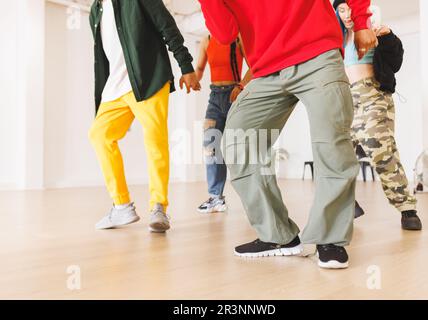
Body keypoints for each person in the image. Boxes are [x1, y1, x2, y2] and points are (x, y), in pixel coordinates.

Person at [198, 0, 377, 269]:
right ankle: (278, 235)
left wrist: (362, 22)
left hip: (317, 53)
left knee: (331, 142)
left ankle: (330, 239)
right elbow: (224, 33)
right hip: (265, 69)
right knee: (237, 139)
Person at [88, 0, 200, 232]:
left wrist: (186, 66)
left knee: (155, 142)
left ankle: (158, 207)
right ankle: (121, 206)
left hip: (149, 79)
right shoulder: (95, 10)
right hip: (115, 87)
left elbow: (166, 26)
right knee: (100, 136)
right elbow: (102, 57)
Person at [334, 0, 422, 230]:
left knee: (379, 148)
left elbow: (395, 61)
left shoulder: (373, 31)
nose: (346, 14)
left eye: (350, 9)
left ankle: (406, 208)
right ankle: (346, 204)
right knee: (337, 153)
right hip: (344, 98)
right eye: (341, 10)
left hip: (372, 94)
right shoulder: (335, 39)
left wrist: (389, 36)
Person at [195, 35, 252, 214]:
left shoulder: (238, 39)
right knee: (210, 146)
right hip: (214, 98)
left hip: (234, 96)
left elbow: (253, 67)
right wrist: (193, 79)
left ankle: (252, 197)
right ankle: (216, 198)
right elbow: (199, 68)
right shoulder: (206, 41)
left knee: (239, 147)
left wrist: (241, 86)